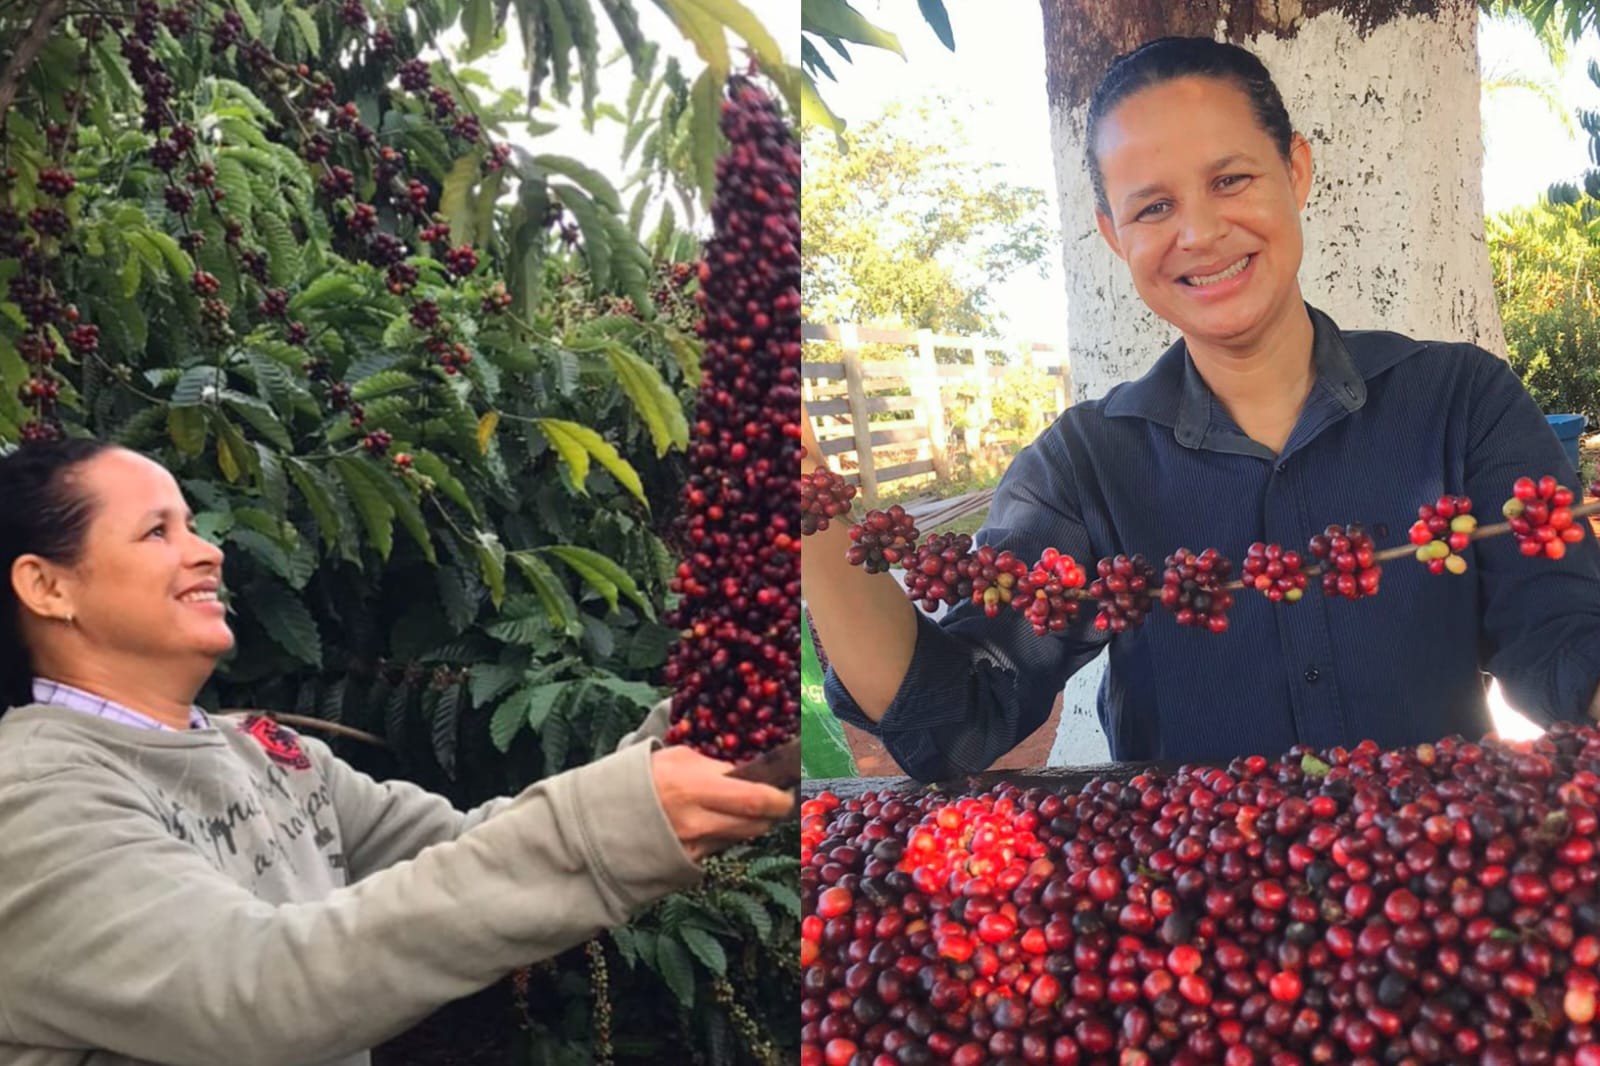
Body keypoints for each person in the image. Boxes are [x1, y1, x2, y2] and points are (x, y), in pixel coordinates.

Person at [802, 36, 1600, 783]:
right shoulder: (1084, 468)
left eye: (1231, 180)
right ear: (1114, 237)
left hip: (1435, 888)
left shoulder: (1462, 400)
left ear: (1296, 171)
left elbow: (1558, 638)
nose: (1201, 232)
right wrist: (802, 501)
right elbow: (960, 716)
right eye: (1152, 208)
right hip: (1189, 902)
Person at [0, 437, 793, 1065]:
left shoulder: (263, 754)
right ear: (48, 588)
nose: (208, 551)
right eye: (156, 531)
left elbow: (468, 848)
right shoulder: (31, 800)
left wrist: (711, 725)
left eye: (193, 525)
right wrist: (613, 822)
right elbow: (256, 987)